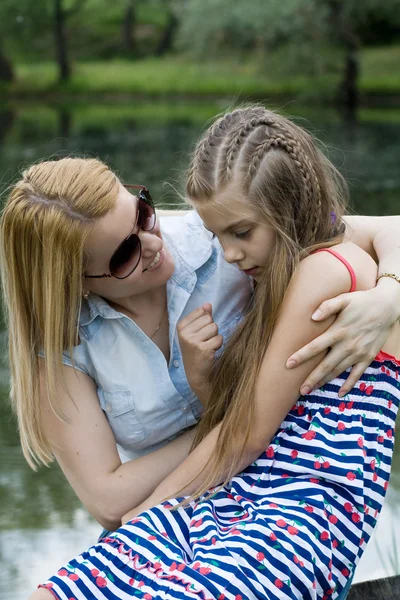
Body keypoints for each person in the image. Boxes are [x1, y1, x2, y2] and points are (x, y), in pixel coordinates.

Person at [30, 107, 400, 600]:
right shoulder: (262, 253)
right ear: (75, 284)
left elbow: (246, 430)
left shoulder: (325, 271)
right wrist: (204, 378)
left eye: (144, 213)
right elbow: (240, 419)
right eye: (123, 254)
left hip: (295, 509)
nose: (226, 252)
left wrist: (392, 291)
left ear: (285, 209)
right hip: (237, 492)